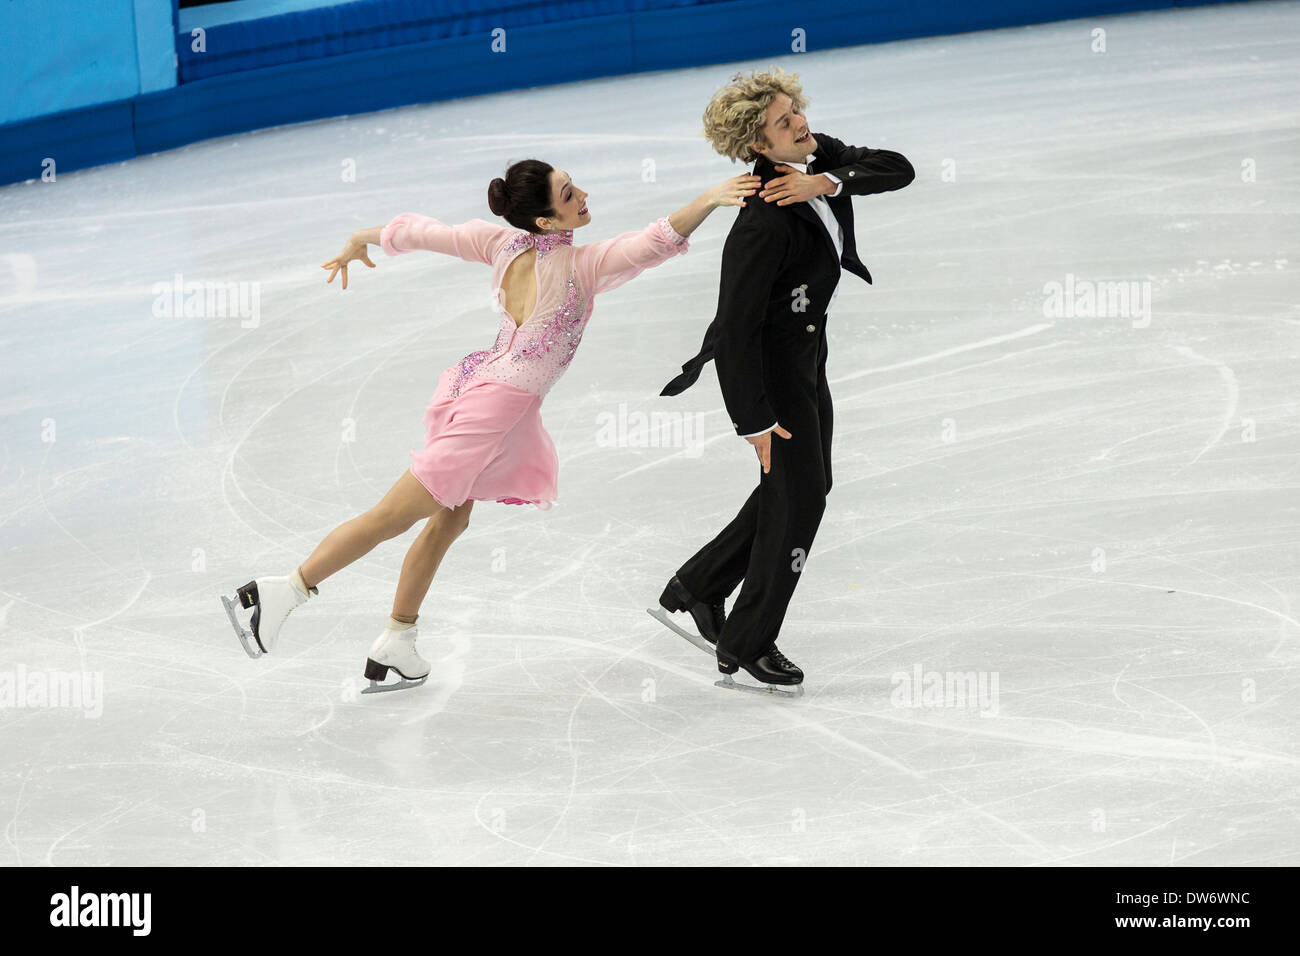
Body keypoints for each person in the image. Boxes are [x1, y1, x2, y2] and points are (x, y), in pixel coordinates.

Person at [222, 159, 761, 689]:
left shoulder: (501, 244)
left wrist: (362, 237)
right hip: (491, 412)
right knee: (392, 514)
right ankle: (283, 591)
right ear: (546, 221)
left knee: (451, 519)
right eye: (570, 193)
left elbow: (424, 233)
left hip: (485, 394)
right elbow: (654, 241)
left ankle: (397, 640)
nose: (583, 195)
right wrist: (711, 199)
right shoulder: (581, 267)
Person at [656, 67, 915, 693]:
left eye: (794, 109)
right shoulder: (760, 221)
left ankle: (699, 584)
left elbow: (898, 167)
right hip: (772, 369)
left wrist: (825, 179)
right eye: (783, 121)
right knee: (801, 497)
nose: (799, 122)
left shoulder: (816, 156)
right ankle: (746, 641)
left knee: (804, 486)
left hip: (805, 354)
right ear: (758, 145)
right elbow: (735, 329)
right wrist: (754, 420)